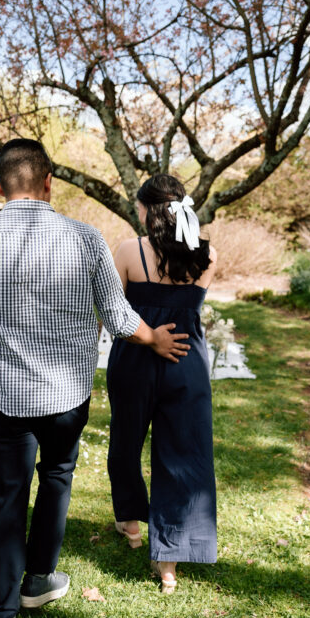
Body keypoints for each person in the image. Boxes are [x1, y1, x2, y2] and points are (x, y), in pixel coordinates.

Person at [0, 139, 189, 618]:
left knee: (5, 499)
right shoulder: (86, 239)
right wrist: (156, 338)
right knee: (56, 480)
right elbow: (120, 317)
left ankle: (3, 616)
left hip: (5, 399)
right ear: (49, 183)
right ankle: (37, 580)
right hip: (66, 397)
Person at [106, 173, 217, 594]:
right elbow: (188, 310)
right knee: (183, 456)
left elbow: (116, 314)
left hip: (135, 358)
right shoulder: (208, 256)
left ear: (148, 209)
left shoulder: (129, 250)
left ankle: (132, 526)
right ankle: (167, 562)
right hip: (185, 361)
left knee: (127, 441)